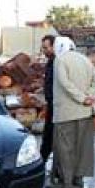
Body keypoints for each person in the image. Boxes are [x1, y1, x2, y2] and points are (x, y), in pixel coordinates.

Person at [47, 37, 95, 188]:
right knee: (83, 147)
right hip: (85, 112)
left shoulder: (60, 60)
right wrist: (90, 97)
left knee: (65, 148)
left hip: (66, 113)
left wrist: (82, 98)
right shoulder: (84, 59)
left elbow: (64, 83)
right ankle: (79, 178)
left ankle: (66, 182)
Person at [39, 35, 57, 180]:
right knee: (48, 136)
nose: (44, 50)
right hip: (51, 104)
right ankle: (42, 163)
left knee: (53, 137)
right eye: (43, 48)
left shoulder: (58, 62)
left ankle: (55, 168)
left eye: (46, 47)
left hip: (58, 105)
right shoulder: (51, 62)